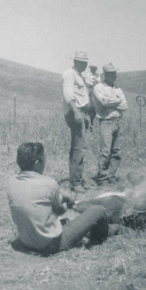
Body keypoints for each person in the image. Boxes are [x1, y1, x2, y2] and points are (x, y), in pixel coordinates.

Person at [7, 142, 110, 254]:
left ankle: (101, 230)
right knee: (98, 210)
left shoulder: (12, 182)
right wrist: (68, 204)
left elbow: (39, 201)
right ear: (37, 163)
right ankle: (100, 237)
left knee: (66, 222)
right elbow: (59, 210)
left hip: (27, 241)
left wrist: (61, 197)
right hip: (51, 245)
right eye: (43, 159)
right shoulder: (49, 183)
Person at [92, 63, 128, 186]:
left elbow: (125, 106)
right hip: (106, 122)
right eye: (111, 73)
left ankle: (111, 175)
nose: (113, 75)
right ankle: (102, 178)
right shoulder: (98, 87)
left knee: (116, 151)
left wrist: (111, 102)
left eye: (114, 73)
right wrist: (117, 101)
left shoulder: (118, 89)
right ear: (105, 75)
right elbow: (103, 102)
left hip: (117, 121)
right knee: (105, 152)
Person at [62, 51, 91, 192]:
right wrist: (77, 112)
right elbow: (68, 95)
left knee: (78, 147)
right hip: (75, 112)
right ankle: (75, 182)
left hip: (80, 112)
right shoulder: (70, 74)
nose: (85, 64)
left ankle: (77, 178)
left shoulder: (79, 75)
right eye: (82, 62)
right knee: (79, 147)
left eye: (85, 62)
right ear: (76, 62)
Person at [83, 64, 101, 131]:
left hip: (95, 87)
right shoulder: (88, 75)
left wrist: (96, 83)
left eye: (94, 68)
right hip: (89, 87)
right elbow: (86, 81)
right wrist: (91, 84)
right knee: (85, 95)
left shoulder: (97, 75)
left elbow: (99, 81)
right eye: (92, 68)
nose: (93, 70)